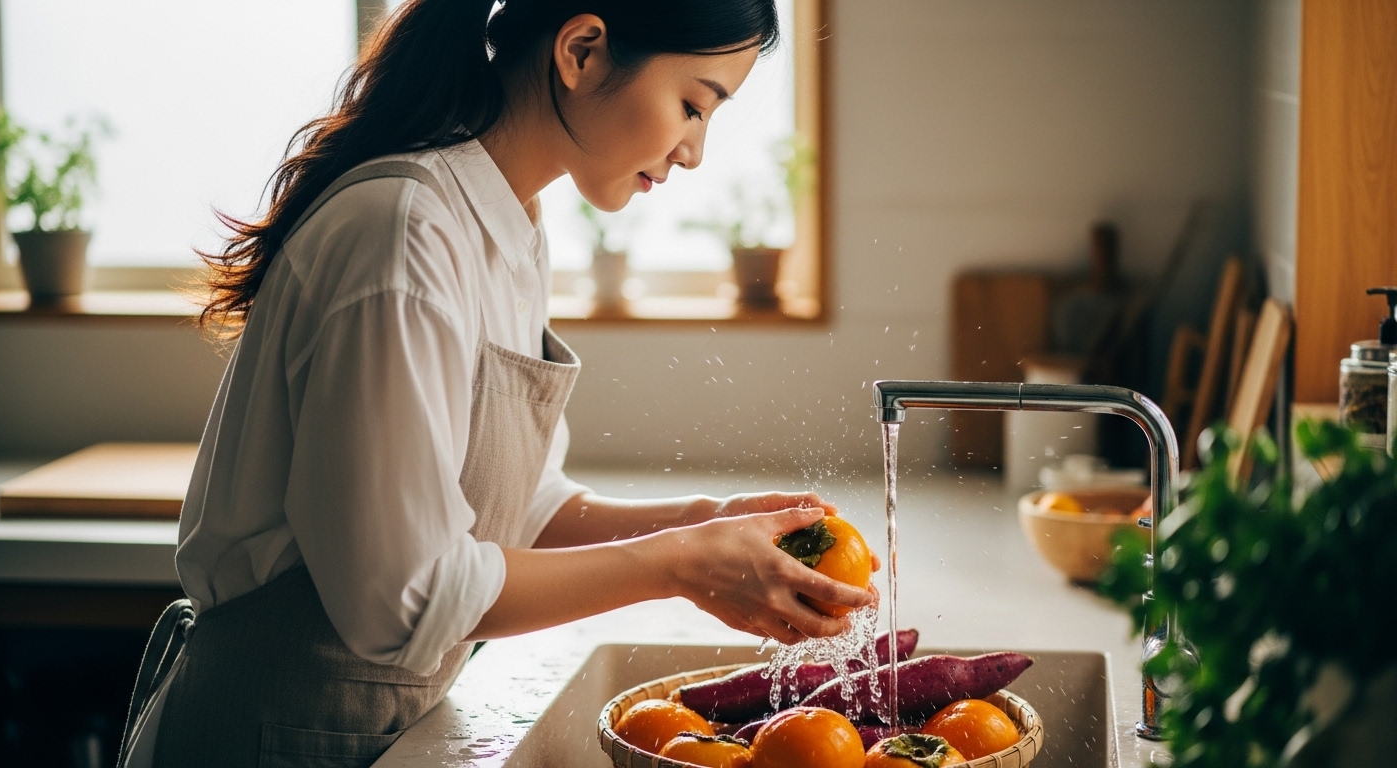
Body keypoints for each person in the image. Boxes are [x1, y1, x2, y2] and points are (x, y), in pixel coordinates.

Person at [118, 1, 874, 766]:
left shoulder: (506, 224)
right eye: (692, 104)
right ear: (581, 50)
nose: (693, 152)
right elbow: (404, 597)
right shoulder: (404, 234)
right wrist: (681, 564)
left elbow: (526, 509)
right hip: (267, 739)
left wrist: (709, 521)